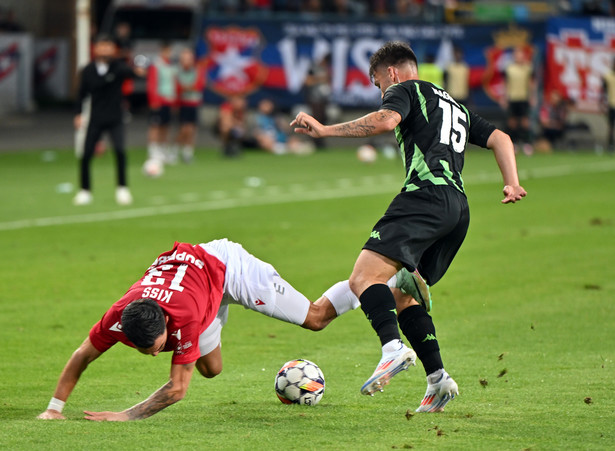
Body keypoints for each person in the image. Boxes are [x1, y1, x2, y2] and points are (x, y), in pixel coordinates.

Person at [291, 41, 527, 413]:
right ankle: (438, 380)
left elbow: (386, 120)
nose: (381, 93)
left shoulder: (405, 89)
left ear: (391, 73)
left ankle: (392, 349)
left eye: (377, 84)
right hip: (457, 210)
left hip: (425, 197)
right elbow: (501, 138)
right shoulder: (455, 105)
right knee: (405, 294)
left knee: (363, 278)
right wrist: (511, 181)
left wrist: (324, 130)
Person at [36, 238, 367, 421]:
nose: (153, 354)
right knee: (211, 370)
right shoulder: (119, 316)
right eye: (144, 349)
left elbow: (177, 389)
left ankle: (377, 279)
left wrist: (126, 416)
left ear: (166, 323)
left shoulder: (184, 318)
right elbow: (83, 354)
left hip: (232, 270)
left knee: (315, 317)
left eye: (155, 346)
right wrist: (54, 408)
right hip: (198, 285)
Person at [73, 35, 145, 206]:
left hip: (115, 118)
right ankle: (85, 190)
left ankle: (122, 188)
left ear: (114, 49)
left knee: (120, 151)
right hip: (96, 118)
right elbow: (81, 94)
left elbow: (134, 74)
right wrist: (78, 114)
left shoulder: (118, 68)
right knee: (86, 154)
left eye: (108, 46)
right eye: (102, 46)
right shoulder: (88, 70)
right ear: (95, 48)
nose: (105, 49)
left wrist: (140, 70)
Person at [146, 42, 178, 166]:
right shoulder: (156, 65)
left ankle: (163, 149)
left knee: (165, 126)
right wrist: (154, 100)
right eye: (166, 51)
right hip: (158, 100)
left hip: (169, 101)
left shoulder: (170, 66)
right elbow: (152, 84)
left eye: (170, 51)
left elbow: (173, 84)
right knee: (155, 125)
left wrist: (174, 100)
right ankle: (153, 150)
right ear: (162, 51)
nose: (168, 54)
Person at [175, 48, 206, 163]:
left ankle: (188, 153)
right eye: (184, 59)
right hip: (183, 103)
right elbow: (178, 87)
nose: (187, 61)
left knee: (192, 129)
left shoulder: (198, 70)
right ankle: (174, 149)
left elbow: (198, 86)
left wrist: (186, 87)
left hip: (194, 103)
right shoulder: (177, 71)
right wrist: (186, 88)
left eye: (189, 58)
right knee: (184, 129)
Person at [503, 46, 535, 155]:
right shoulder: (509, 68)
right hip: (513, 97)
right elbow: (506, 84)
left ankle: (527, 144)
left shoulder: (528, 68)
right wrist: (505, 97)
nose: (518, 57)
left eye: (520, 55)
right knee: (513, 123)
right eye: (516, 55)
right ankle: (514, 144)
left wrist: (532, 96)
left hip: (523, 98)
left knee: (525, 122)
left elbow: (531, 84)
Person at [602, 59, 615, 152]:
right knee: (611, 126)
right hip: (612, 104)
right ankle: (610, 145)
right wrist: (603, 103)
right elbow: (604, 90)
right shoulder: (608, 76)